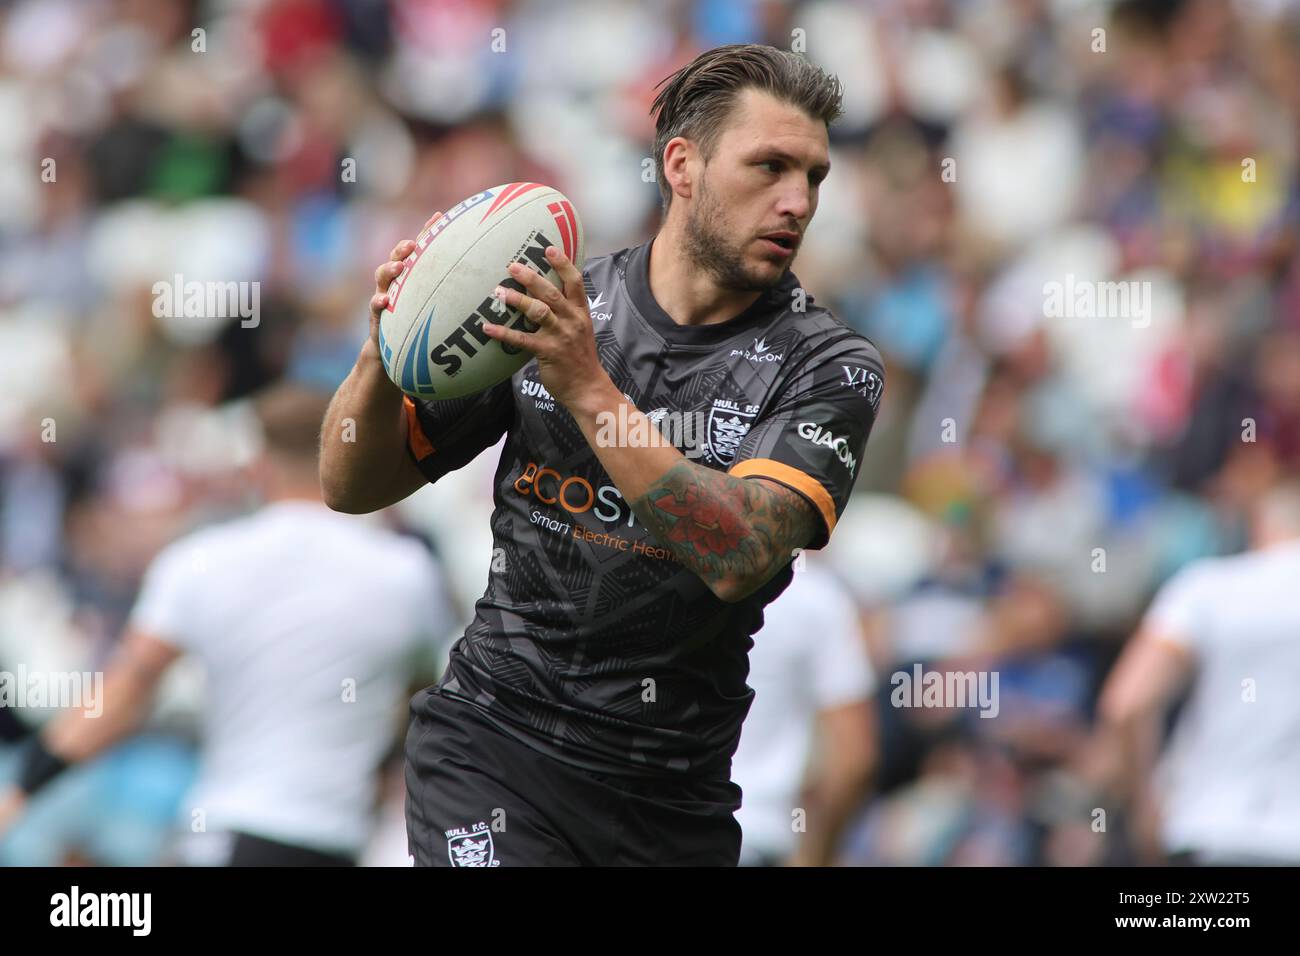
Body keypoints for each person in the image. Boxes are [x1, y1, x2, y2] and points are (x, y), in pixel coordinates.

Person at [321, 44, 886, 866]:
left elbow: (737, 552)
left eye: (814, 177)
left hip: (672, 797)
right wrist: (382, 355)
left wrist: (587, 386)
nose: (796, 201)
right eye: (769, 167)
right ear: (682, 166)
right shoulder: (548, 307)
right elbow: (348, 483)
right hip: (494, 747)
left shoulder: (827, 364)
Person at [0, 384, 454, 866]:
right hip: (338, 845)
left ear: (257, 465)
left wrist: (22, 790)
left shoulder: (200, 563)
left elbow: (123, 695)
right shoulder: (409, 574)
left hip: (228, 836)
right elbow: (419, 705)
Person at [1096, 478, 1300, 865]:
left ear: (1258, 525)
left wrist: (1144, 809)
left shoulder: (1207, 587)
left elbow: (1126, 703)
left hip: (1212, 826)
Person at [731, 559, 876, 866]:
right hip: (759, 833)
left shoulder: (664, 575)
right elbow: (854, 757)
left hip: (654, 830)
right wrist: (818, 854)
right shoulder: (817, 596)